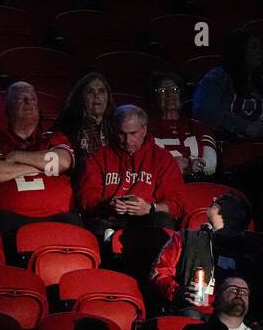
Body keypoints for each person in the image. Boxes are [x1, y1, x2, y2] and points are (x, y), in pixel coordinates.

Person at [0, 81, 80, 239]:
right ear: (7, 107)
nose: (29, 103)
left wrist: (17, 157)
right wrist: (43, 167)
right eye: (21, 98)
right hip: (9, 219)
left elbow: (63, 162)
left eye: (33, 99)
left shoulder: (53, 137)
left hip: (60, 216)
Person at [79, 104, 185, 245]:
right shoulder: (99, 156)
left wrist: (149, 208)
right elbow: (86, 198)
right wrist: (108, 204)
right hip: (107, 220)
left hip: (146, 220)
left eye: (133, 134)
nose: (127, 141)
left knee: (162, 220)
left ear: (144, 130)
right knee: (92, 226)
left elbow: (176, 204)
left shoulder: (162, 159)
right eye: (122, 134)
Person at [150, 192, 262, 316]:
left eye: (224, 199)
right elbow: (159, 273)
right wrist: (178, 292)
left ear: (236, 214)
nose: (214, 198)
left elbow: (261, 290)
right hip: (190, 311)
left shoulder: (251, 251)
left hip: (234, 317)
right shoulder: (185, 238)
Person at [191, 27, 263, 141]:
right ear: (239, 50)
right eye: (253, 47)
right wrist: (243, 126)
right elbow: (204, 111)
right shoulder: (216, 78)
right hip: (226, 142)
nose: (259, 52)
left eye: (260, 48)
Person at [148, 72, 218, 179]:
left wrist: (192, 165)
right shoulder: (145, 129)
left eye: (175, 90)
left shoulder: (199, 127)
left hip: (196, 183)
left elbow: (211, 164)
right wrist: (174, 165)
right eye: (162, 91)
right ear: (154, 97)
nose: (169, 95)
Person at [52, 71, 114, 176]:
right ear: (81, 97)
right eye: (90, 91)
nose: (96, 96)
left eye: (101, 91)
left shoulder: (116, 125)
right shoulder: (67, 124)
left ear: (108, 97)